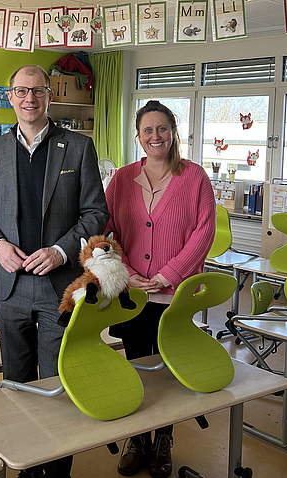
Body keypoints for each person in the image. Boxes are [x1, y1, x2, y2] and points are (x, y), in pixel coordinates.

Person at [0, 65, 109, 478]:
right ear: (9, 97)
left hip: (59, 288)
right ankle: (27, 465)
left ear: (49, 96)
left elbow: (95, 213)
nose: (29, 98)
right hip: (10, 287)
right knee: (15, 382)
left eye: (37, 91)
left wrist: (61, 252)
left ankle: (56, 470)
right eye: (20, 91)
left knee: (55, 384)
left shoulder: (79, 147)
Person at [104, 100, 215, 477]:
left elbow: (204, 234)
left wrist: (168, 274)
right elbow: (106, 231)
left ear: (173, 133)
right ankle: (136, 439)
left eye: (162, 129)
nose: (155, 136)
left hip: (174, 294)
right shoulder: (120, 179)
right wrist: (126, 271)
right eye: (148, 130)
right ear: (138, 136)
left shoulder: (195, 177)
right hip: (134, 293)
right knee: (135, 364)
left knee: (168, 370)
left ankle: (164, 439)